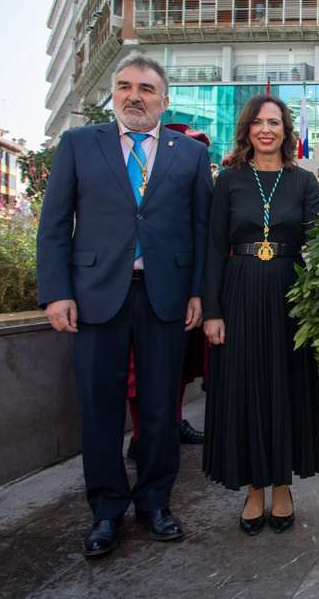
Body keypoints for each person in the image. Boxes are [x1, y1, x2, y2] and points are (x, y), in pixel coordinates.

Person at [37, 51, 213, 558]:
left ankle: (155, 502)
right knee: (100, 409)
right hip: (94, 298)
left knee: (161, 408)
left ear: (164, 98)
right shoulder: (77, 145)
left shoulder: (191, 154)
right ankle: (107, 509)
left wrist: (199, 290)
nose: (135, 96)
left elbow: (201, 230)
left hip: (166, 298)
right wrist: (56, 292)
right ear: (113, 94)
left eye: (146, 88)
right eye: (125, 87)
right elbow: (53, 225)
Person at [201, 94, 319, 535]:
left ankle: (282, 486)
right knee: (246, 388)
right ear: (248, 130)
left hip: (290, 294)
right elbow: (214, 248)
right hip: (239, 290)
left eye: (275, 122)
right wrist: (212, 311)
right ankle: (255, 488)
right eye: (259, 122)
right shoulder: (230, 179)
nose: (267, 130)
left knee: (285, 387)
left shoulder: (303, 181)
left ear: (287, 131)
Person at [125, 123, 212, 461]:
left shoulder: (196, 174)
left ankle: (171, 423)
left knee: (176, 368)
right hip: (137, 284)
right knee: (138, 371)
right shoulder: (141, 176)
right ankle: (141, 435)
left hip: (182, 288)